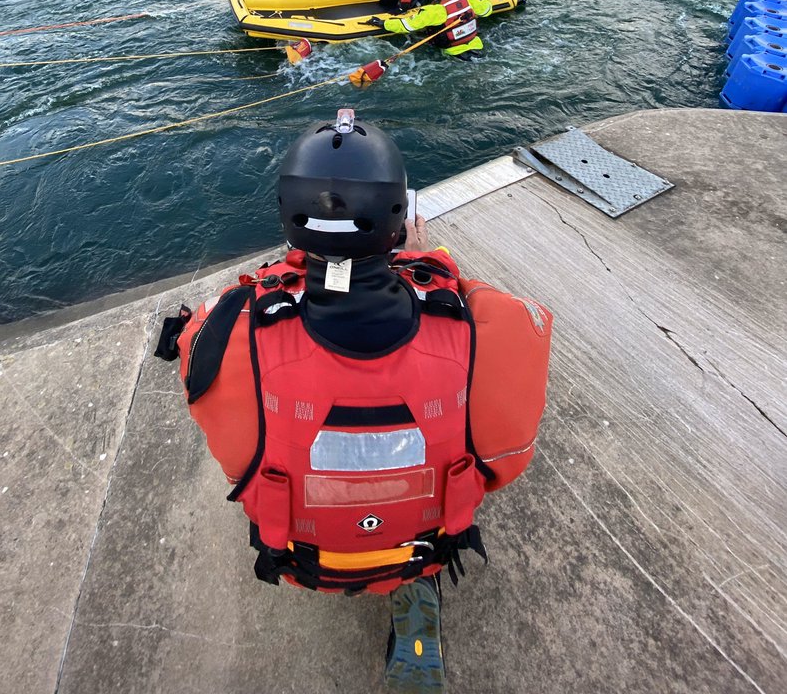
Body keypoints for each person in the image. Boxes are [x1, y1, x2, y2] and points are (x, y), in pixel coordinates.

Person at [156, 108, 552, 693]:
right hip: (422, 548)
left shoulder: (227, 334)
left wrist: (284, 272)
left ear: (291, 220)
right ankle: (413, 584)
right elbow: (506, 462)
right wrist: (433, 263)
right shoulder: (491, 330)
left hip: (299, 557)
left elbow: (234, 459)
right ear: (397, 220)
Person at [378, 0, 494, 57]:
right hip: (477, 47)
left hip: (452, 54)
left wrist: (383, 23)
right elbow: (486, 10)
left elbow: (407, 25)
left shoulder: (435, 11)